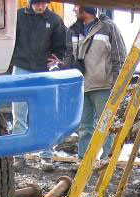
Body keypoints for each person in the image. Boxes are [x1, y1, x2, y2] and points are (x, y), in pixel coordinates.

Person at [53, 5, 126, 161]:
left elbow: (119, 56)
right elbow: (70, 56)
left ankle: (108, 159)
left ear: (85, 7)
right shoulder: (73, 30)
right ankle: (84, 160)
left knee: (105, 124)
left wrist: (117, 81)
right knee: (84, 127)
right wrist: (62, 66)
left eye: (76, 5)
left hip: (103, 85)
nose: (73, 9)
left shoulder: (108, 27)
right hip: (82, 86)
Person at [9, 0, 67, 172]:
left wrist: (57, 58)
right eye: (37, 4)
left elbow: (61, 45)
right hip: (21, 67)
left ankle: (46, 156)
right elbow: (10, 39)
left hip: (44, 70)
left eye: (43, 3)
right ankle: (18, 155)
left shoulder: (55, 21)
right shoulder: (18, 17)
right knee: (19, 112)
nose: (40, 7)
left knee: (46, 113)